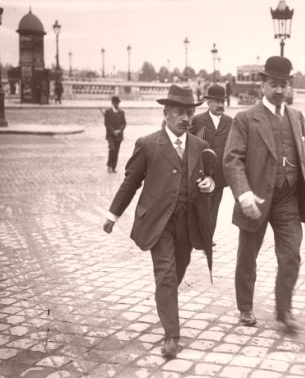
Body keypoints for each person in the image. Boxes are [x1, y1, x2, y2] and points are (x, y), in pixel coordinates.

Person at [102, 85, 215, 359]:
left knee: (177, 271)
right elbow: (131, 183)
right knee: (166, 274)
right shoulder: (148, 144)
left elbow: (210, 178)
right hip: (158, 223)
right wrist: (112, 215)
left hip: (187, 225)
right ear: (166, 113)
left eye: (190, 113)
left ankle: (165, 300)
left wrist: (208, 184)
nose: (186, 119)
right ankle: (171, 334)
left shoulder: (200, 146)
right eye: (179, 113)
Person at [223, 56, 305, 333]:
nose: (279, 90)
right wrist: (243, 194)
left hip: (288, 198)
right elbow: (232, 159)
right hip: (256, 199)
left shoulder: (297, 117)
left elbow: (303, 158)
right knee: (247, 256)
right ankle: (246, 307)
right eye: (273, 84)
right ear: (262, 85)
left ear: (289, 86)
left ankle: (283, 309)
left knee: (291, 255)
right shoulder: (245, 119)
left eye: (283, 84)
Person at [190, 84, 233, 244]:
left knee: (214, 208)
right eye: (216, 101)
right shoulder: (198, 120)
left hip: (220, 174)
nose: (221, 105)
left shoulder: (230, 122)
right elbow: (188, 142)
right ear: (208, 102)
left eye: (222, 101)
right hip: (201, 174)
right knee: (201, 206)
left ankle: (208, 237)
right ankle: (197, 234)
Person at [104, 96, 127, 173]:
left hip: (119, 136)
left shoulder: (122, 112)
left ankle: (113, 167)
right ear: (112, 103)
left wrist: (119, 130)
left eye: (117, 103)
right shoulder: (107, 112)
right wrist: (113, 131)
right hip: (110, 135)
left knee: (116, 151)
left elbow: (124, 123)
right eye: (115, 103)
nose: (117, 104)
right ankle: (109, 165)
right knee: (112, 149)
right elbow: (107, 123)